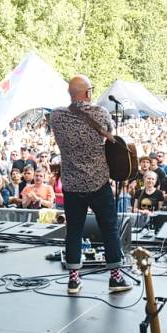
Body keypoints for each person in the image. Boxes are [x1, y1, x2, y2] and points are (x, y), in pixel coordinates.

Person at [46, 76, 130, 296]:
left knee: (73, 231)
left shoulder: (56, 116)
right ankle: (115, 278)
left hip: (72, 184)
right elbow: (111, 132)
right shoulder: (100, 113)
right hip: (98, 183)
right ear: (88, 93)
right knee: (109, 229)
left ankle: (73, 281)